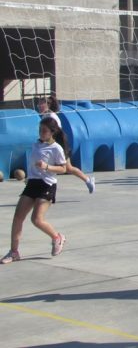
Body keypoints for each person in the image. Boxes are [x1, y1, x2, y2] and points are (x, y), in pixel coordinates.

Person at [1, 117, 69, 264]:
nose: (41, 133)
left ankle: (57, 237)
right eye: (40, 130)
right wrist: (30, 176)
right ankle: (14, 252)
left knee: (36, 219)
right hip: (33, 183)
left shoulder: (56, 148)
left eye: (44, 131)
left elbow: (63, 169)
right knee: (18, 217)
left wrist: (47, 167)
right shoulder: (36, 145)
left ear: (52, 132)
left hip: (47, 185)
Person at [37, 96, 95, 194]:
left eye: (41, 104)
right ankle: (39, 187)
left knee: (68, 168)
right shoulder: (45, 116)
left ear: (48, 105)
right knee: (44, 166)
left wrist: (49, 144)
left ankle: (88, 180)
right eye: (38, 104)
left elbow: (56, 134)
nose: (38, 106)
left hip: (60, 144)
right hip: (51, 144)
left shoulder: (52, 117)